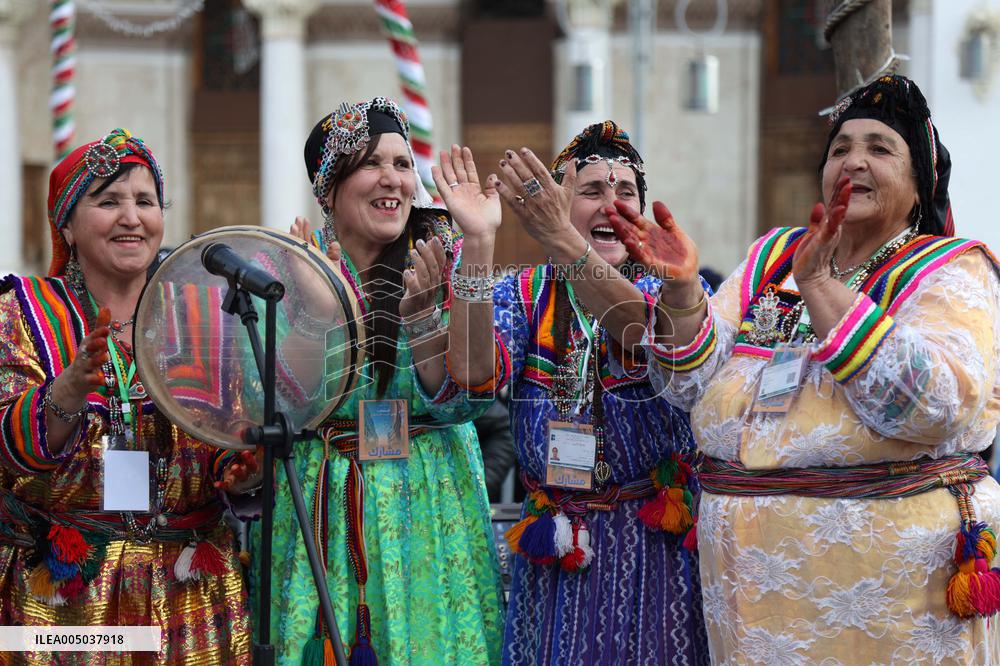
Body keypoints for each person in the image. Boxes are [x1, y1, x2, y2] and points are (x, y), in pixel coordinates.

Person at [611, 75, 1000, 662]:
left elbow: (938, 405)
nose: (854, 161)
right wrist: (685, 288)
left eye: (879, 148)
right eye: (840, 148)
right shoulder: (774, 256)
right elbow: (689, 382)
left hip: (885, 594)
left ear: (922, 184)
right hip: (747, 597)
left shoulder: (951, 269)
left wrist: (820, 287)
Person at [224, 97, 507, 665]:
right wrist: (314, 308)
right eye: (371, 163)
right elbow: (271, 410)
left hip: (430, 501)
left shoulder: (445, 255)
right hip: (321, 499)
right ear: (328, 188)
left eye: (403, 164)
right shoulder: (287, 271)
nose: (393, 180)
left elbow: (469, 399)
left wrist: (477, 244)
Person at [0, 128, 251, 663]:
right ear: (66, 223)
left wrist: (240, 466)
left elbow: (227, 430)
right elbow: (9, 450)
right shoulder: (18, 310)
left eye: (145, 201)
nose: (131, 216)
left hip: (190, 593)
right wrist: (63, 394)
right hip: (64, 593)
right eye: (108, 201)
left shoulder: (208, 314)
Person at [490, 122, 709, 664]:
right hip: (556, 545)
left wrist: (559, 240)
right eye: (591, 191)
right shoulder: (520, 293)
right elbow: (469, 386)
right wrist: (475, 243)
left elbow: (643, 335)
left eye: (626, 191)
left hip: (655, 545)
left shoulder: (676, 289)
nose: (611, 204)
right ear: (560, 203)